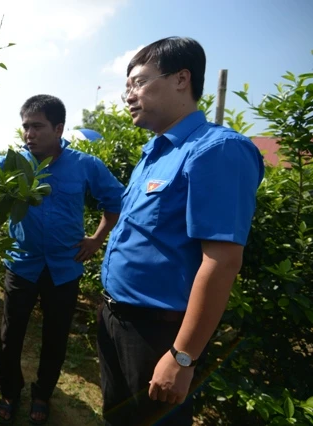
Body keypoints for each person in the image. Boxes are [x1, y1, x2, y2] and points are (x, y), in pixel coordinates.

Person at [97, 37, 265, 426]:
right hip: (115, 318)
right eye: (127, 87)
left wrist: (182, 355)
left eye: (138, 82)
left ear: (181, 79)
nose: (129, 95)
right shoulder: (154, 153)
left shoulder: (215, 150)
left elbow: (222, 261)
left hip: (158, 334)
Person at [0, 95, 124, 424]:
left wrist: (96, 240)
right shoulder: (13, 163)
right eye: (25, 127)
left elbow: (116, 201)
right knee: (10, 335)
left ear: (58, 128)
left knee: (55, 335)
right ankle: (10, 391)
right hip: (21, 263)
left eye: (37, 126)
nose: (28, 134)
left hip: (64, 268)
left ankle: (42, 394)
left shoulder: (84, 165)